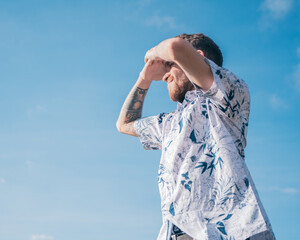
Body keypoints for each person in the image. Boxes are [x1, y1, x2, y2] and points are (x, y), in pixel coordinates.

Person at [116, 33, 276, 240]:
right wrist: (144, 78)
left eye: (168, 66)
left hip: (229, 231)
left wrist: (152, 54)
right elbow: (124, 124)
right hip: (178, 233)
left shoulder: (227, 95)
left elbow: (175, 47)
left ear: (197, 56)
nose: (164, 75)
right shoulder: (170, 123)